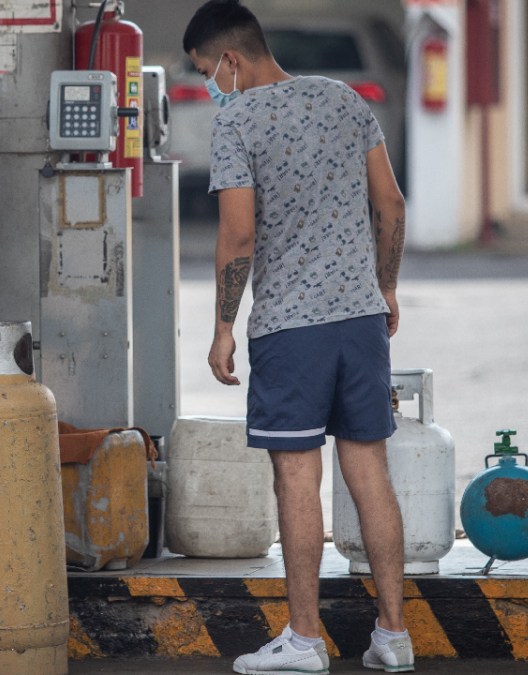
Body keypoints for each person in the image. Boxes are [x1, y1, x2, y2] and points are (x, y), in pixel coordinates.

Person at [182, 2, 412, 674]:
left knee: (296, 476)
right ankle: (393, 634)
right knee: (370, 471)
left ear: (229, 58)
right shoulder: (345, 100)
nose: (208, 85)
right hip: (361, 320)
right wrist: (386, 286)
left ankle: (306, 639)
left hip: (290, 328)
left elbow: (238, 233)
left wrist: (222, 325)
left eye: (205, 71)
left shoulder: (238, 119)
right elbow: (390, 203)